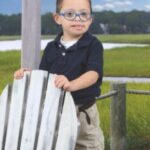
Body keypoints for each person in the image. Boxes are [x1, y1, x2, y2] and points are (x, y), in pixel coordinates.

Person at [14, 0, 104, 149]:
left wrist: (71, 84)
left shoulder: (93, 44)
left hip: (82, 112)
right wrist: (28, 75)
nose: (78, 19)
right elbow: (44, 76)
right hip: (56, 112)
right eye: (70, 14)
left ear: (90, 19)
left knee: (88, 145)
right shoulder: (51, 47)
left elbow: (93, 74)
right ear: (58, 18)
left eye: (84, 14)